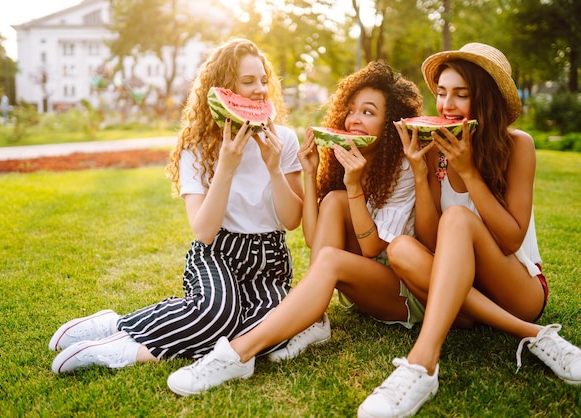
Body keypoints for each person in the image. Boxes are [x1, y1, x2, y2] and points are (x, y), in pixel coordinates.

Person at [165, 60, 425, 396]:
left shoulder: (401, 165)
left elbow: (373, 248)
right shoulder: (350, 156)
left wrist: (356, 185)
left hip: (403, 293)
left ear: (389, 124)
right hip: (366, 284)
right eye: (352, 110)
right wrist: (309, 172)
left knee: (332, 254)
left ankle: (237, 354)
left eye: (368, 112)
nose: (354, 119)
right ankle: (313, 321)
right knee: (332, 200)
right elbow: (314, 240)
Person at [48, 38, 304, 374]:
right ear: (221, 90)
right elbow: (204, 230)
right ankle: (118, 335)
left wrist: (273, 167)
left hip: (269, 261)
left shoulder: (283, 139)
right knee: (216, 314)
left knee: (267, 332)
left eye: (262, 80)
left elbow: (291, 221)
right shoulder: (196, 147)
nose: (260, 90)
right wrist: (226, 167)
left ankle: (128, 345)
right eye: (247, 81)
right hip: (218, 252)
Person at [357, 43, 581, 418]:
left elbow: (511, 239)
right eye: (442, 93)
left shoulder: (517, 146)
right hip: (463, 295)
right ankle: (532, 335)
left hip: (518, 288)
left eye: (461, 94)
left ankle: (422, 364)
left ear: (486, 99)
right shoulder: (434, 151)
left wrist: (471, 173)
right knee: (400, 249)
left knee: (458, 220)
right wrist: (420, 171)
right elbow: (430, 242)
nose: (446, 105)